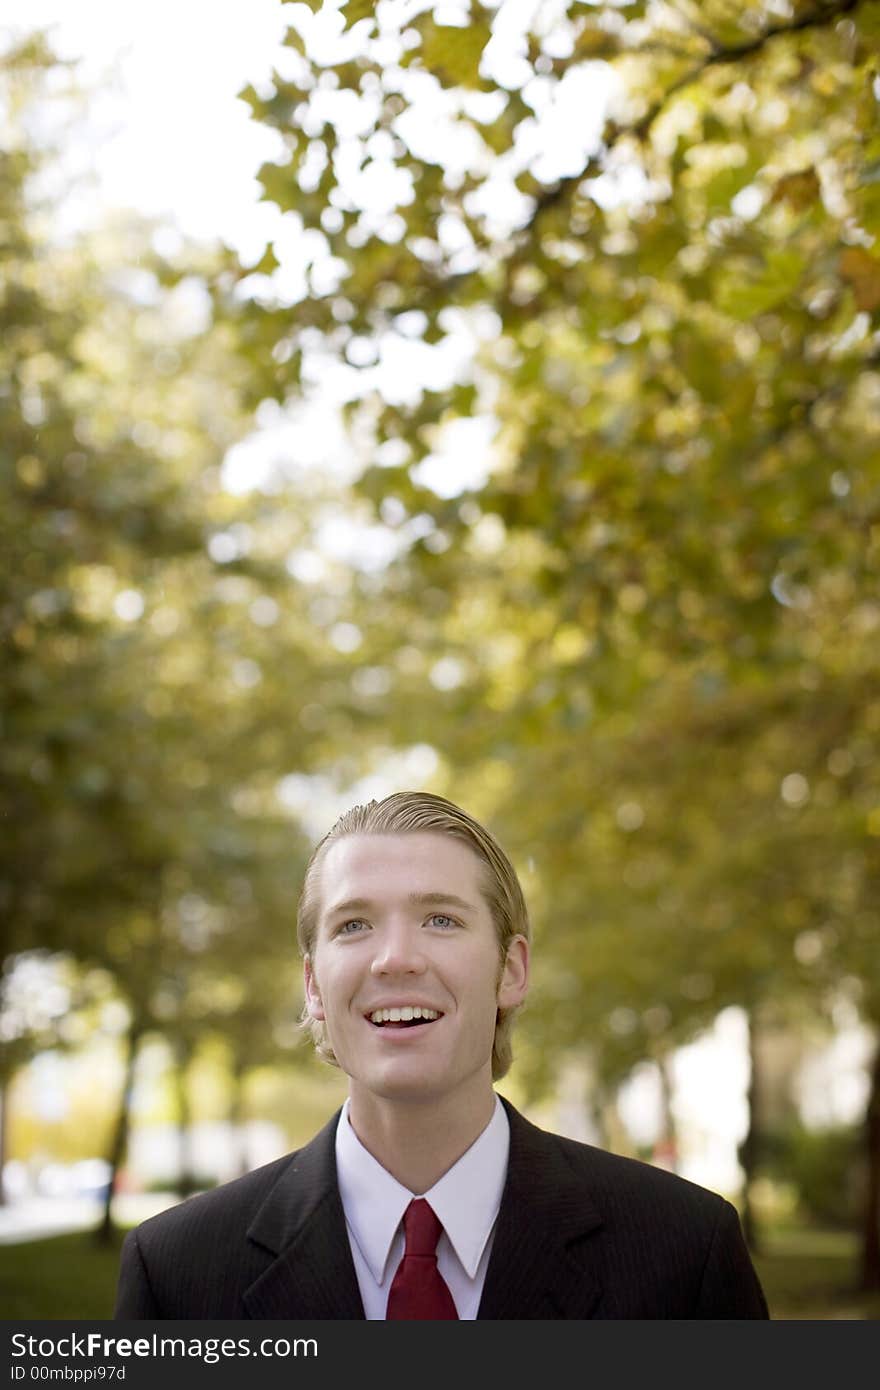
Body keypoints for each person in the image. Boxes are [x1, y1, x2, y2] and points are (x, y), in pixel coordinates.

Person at [114, 791, 769, 1319]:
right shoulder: (176, 1274)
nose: (395, 957)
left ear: (510, 970)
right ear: (314, 985)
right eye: (353, 925)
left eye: (441, 919)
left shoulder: (685, 1252)